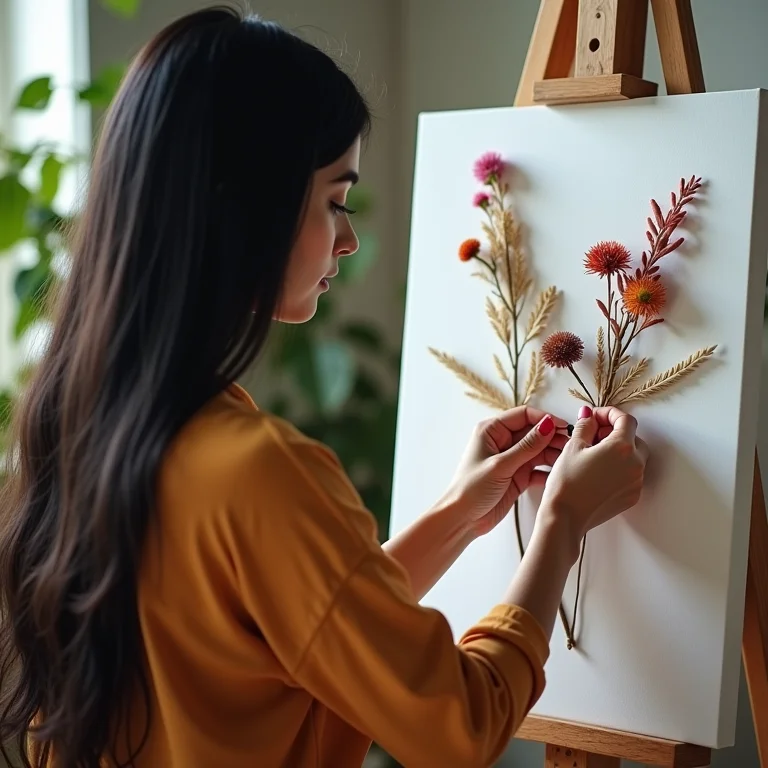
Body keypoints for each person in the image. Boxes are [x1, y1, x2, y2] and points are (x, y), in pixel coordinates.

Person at [0, 7, 648, 768]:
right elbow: (461, 723)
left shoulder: (89, 425)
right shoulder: (256, 468)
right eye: (334, 200)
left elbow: (297, 632)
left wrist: (456, 514)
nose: (349, 238)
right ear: (242, 206)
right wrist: (564, 521)